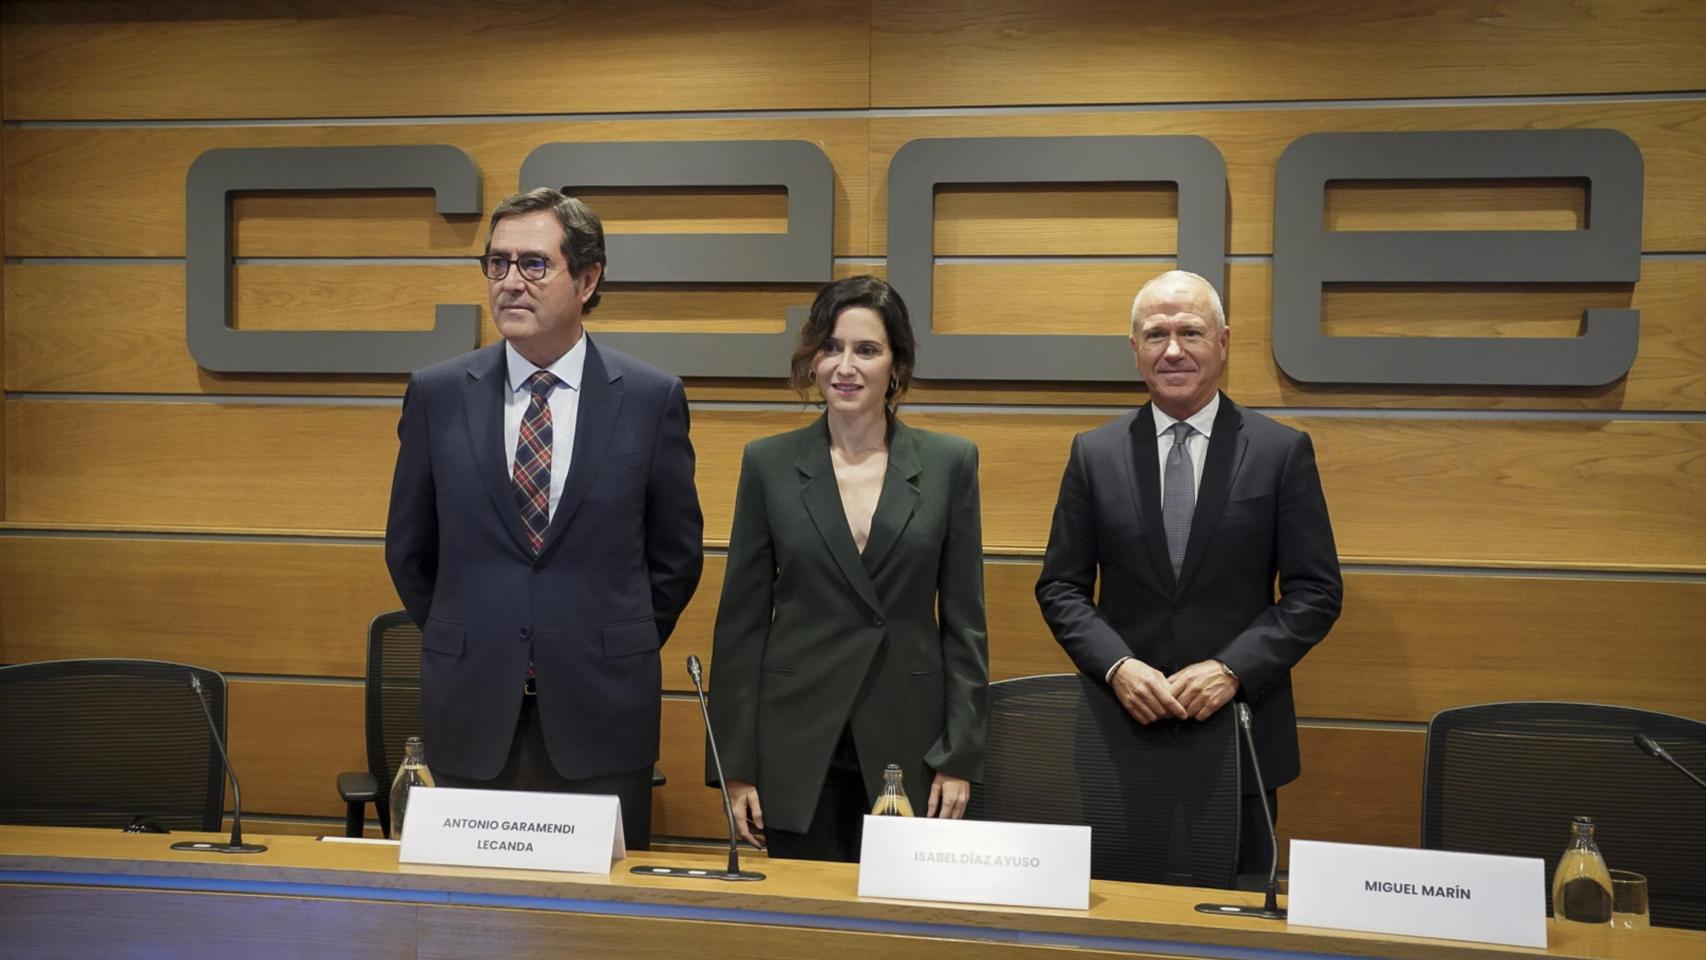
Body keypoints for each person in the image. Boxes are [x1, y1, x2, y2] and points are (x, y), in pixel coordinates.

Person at [384, 187, 703, 851]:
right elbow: (410, 550)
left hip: (603, 706)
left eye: (533, 264)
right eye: (497, 264)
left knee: (602, 934)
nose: (510, 282)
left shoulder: (649, 399)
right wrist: (481, 631)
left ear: (587, 279)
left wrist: (607, 636)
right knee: (472, 925)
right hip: (473, 705)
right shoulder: (438, 394)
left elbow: (676, 557)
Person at [1035, 269, 1342, 873]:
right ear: (1134, 350)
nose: (1172, 350)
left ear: (1223, 342)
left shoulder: (1280, 451)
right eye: (1155, 334)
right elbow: (1061, 587)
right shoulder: (1094, 453)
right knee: (1120, 920)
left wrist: (1233, 669)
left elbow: (1316, 592)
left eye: (1190, 332)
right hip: (1123, 732)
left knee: (1231, 921)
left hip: (1239, 732)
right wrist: (1118, 666)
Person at [705, 275, 988, 862]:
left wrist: (959, 757)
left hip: (909, 741)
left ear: (897, 364)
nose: (845, 366)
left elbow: (966, 627)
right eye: (830, 347)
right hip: (795, 740)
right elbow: (741, 627)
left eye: (866, 349)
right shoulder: (769, 463)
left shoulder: (948, 463)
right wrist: (734, 769)